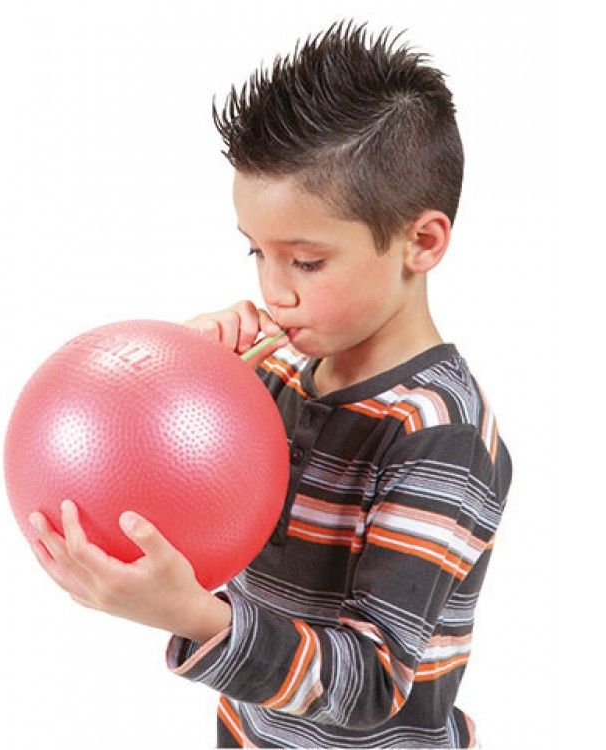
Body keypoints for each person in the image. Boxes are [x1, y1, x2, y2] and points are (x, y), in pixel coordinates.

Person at [28, 18, 512, 749]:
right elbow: (195, 516)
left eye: (306, 262)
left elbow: (374, 683)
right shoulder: (275, 372)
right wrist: (183, 380)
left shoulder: (439, 434)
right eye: (257, 252)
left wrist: (197, 620)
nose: (273, 291)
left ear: (421, 242)